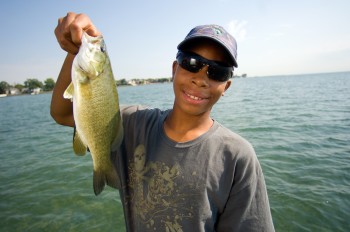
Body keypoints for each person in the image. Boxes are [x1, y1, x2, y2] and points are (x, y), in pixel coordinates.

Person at [51, 12, 275, 232]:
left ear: (225, 86)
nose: (201, 79)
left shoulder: (237, 156)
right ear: (174, 69)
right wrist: (76, 49)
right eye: (192, 62)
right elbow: (63, 114)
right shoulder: (132, 124)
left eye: (217, 71)